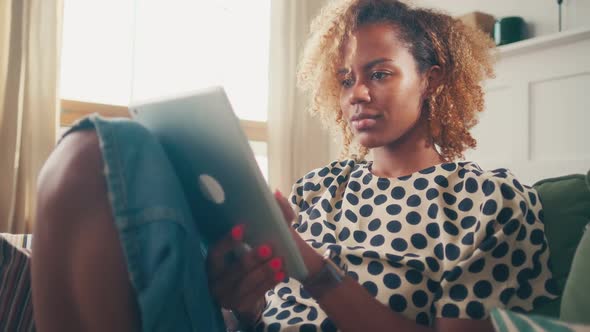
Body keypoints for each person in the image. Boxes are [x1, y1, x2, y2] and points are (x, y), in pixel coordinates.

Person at [31, 0, 558, 331]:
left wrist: (315, 271)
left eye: (379, 73)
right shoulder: (317, 189)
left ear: (433, 80)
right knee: (95, 151)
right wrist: (237, 298)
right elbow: (265, 315)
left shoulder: (489, 201)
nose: (358, 94)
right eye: (347, 79)